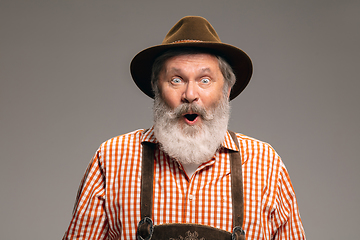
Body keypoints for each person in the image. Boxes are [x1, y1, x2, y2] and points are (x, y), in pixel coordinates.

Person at [62, 16, 306, 240]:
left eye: (205, 80)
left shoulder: (266, 165)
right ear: (156, 89)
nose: (190, 95)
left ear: (226, 90)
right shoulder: (112, 158)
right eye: (176, 80)